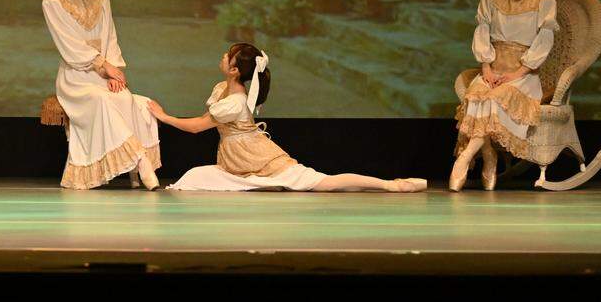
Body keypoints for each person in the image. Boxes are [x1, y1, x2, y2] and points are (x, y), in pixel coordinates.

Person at [150, 42, 426, 192]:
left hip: (256, 156)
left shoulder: (235, 101)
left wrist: (164, 116)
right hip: (238, 160)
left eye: (229, 56)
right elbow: (205, 118)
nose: (223, 56)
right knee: (192, 178)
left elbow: (199, 126)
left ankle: (392, 185)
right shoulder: (222, 88)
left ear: (235, 70)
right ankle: (268, 186)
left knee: (324, 182)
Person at [42, 0, 161, 190]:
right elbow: (69, 45)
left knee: (126, 98)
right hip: (76, 77)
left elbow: (110, 38)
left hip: (104, 74)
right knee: (102, 101)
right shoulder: (52, 3)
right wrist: (104, 65)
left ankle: (133, 169)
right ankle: (140, 160)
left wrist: (114, 71)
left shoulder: (100, 0)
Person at [450, 0, 557, 191]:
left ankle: (465, 159)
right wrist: (486, 69)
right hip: (493, 70)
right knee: (478, 94)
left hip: (523, 76)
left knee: (495, 97)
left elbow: (543, 43)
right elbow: (483, 33)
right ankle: (488, 155)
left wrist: (515, 74)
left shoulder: (543, 2)